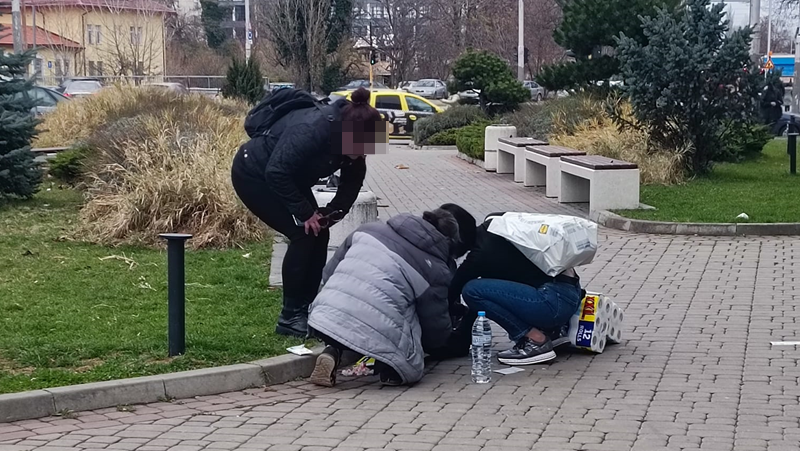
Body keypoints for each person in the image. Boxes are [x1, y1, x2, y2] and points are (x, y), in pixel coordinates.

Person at [231, 88, 383, 337]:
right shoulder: (313, 129)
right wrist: (305, 213)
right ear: (347, 135)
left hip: (291, 178)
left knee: (319, 233)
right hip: (254, 173)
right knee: (302, 233)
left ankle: (310, 307)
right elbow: (276, 172)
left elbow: (350, 186)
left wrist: (329, 214)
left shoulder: (355, 138)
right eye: (362, 148)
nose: (363, 154)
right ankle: (290, 317)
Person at [307, 206, 475, 387]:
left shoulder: (367, 229)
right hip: (377, 325)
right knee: (407, 322)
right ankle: (391, 369)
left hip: (325, 316)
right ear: (450, 242)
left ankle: (331, 351)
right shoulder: (436, 269)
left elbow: (328, 273)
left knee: (365, 316)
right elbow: (435, 331)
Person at [440, 212, 585, 366]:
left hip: (552, 303)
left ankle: (535, 341)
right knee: (487, 288)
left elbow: (450, 294)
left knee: (472, 290)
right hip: (571, 292)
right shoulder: (495, 223)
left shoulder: (480, 256)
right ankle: (552, 331)